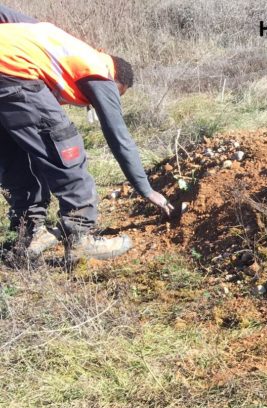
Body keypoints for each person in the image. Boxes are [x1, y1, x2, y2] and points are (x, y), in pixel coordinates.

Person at [0, 4, 171, 262]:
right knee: (65, 147)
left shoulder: (53, 38)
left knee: (16, 154)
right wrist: (146, 189)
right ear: (117, 81)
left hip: (8, 72)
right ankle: (81, 237)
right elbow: (119, 137)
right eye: (117, 94)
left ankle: (27, 236)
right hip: (15, 72)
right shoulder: (100, 72)